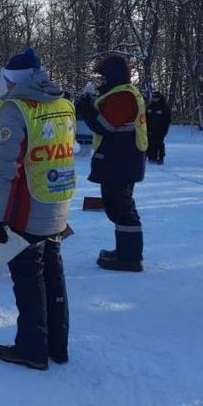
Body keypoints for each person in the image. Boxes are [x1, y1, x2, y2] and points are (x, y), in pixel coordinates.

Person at [0, 48, 74, 371]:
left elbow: (6, 168)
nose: (6, 86)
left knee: (28, 277)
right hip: (58, 201)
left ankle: (31, 347)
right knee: (53, 272)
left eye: (8, 80)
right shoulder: (63, 104)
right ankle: (57, 343)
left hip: (27, 205)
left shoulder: (14, 110)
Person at [76, 54, 147, 272]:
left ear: (113, 76)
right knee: (118, 206)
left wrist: (87, 110)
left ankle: (129, 258)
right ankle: (124, 251)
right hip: (122, 158)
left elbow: (105, 126)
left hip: (122, 159)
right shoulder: (121, 93)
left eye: (104, 77)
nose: (101, 82)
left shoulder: (122, 96)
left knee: (122, 207)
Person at [145, 92, 171, 164]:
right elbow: (145, 118)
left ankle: (160, 158)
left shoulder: (164, 107)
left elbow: (167, 119)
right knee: (150, 142)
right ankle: (151, 157)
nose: (154, 99)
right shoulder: (149, 107)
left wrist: (164, 129)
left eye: (156, 97)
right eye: (153, 97)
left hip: (161, 129)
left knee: (159, 143)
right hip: (150, 128)